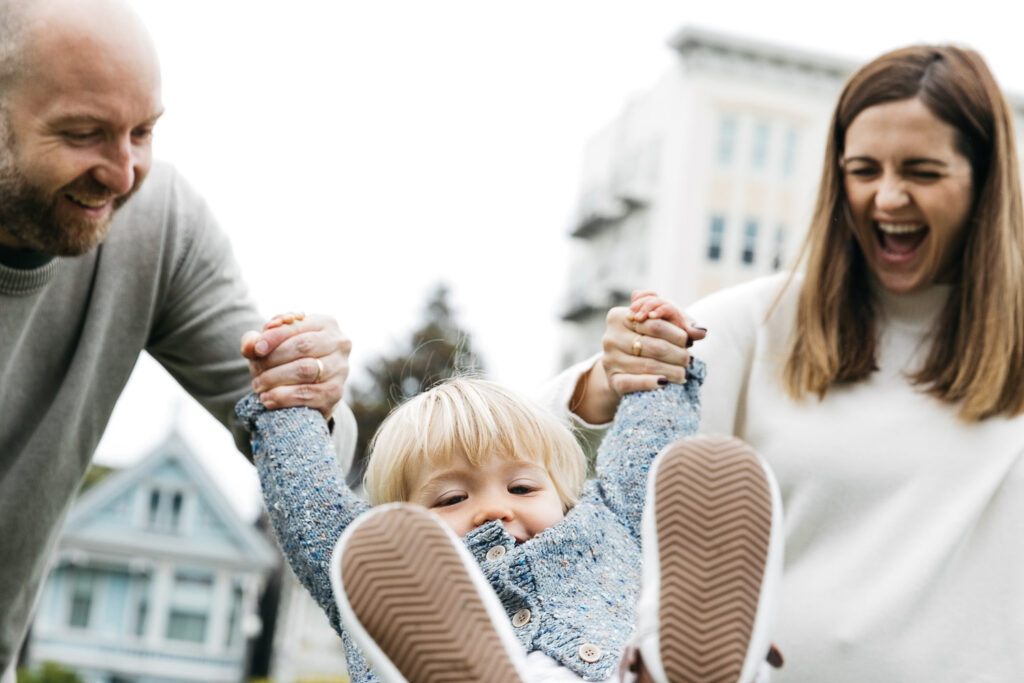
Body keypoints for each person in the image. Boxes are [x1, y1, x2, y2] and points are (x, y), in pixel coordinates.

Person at [548, 44, 1024, 681]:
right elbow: (532, 445)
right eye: (863, 170)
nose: (887, 197)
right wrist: (605, 382)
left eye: (923, 171)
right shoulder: (763, 320)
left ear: (985, 180)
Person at [0, 0, 354, 677]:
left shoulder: (156, 222)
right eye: (83, 133)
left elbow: (299, 429)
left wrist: (307, 389)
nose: (124, 171)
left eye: (144, 131)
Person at [237, 347, 784, 683]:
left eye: (521, 486)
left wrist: (657, 367)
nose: (494, 509)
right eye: (451, 500)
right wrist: (289, 402)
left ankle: (683, 670)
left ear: (564, 494)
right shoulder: (372, 574)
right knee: (368, 561)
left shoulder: (608, 520)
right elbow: (307, 505)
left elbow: (647, 448)